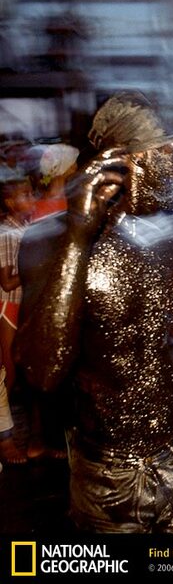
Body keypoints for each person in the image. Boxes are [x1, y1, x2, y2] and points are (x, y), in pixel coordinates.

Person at [16, 92, 173, 532]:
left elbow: (172, 355)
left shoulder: (170, 236)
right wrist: (78, 239)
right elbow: (42, 372)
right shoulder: (50, 242)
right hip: (108, 473)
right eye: (164, 152)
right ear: (123, 160)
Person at [0, 175, 34, 466]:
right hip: (7, 306)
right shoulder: (6, 233)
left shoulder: (25, 227)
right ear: (10, 202)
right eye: (24, 196)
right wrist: (34, 266)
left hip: (22, 305)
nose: (31, 200)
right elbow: (8, 282)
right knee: (7, 370)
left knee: (16, 368)